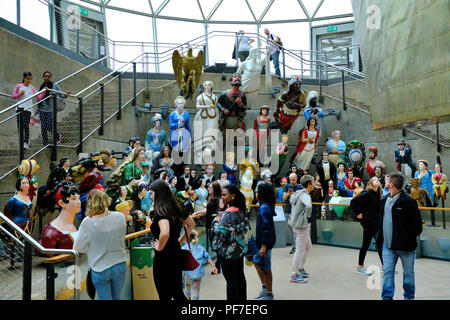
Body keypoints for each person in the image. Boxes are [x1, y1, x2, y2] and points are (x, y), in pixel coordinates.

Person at [73, 189, 129, 300]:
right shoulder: (120, 217)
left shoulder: (87, 222)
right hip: (120, 264)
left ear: (90, 203)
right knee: (116, 297)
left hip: (100, 268)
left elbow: (78, 248)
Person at [376, 173, 423, 300]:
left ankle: (408, 297)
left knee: (408, 275)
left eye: (387, 180)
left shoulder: (409, 202)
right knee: (387, 273)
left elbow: (417, 226)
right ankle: (386, 297)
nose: (384, 181)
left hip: (406, 248)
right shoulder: (384, 200)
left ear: (391, 184)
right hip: (387, 247)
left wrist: (406, 238)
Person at [149, 179, 195, 301]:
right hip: (176, 251)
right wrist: (179, 241)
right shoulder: (176, 208)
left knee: (164, 295)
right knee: (177, 292)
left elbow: (165, 233)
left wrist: (160, 247)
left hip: (164, 256)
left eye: (152, 193)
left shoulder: (161, 212)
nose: (150, 196)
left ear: (158, 194)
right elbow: (191, 225)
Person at [211, 185, 249, 301]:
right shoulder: (242, 210)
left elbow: (220, 231)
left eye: (224, 195)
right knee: (240, 277)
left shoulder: (227, 213)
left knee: (231, 280)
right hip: (239, 250)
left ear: (233, 195)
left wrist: (215, 221)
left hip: (227, 252)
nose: (222, 197)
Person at [350, 177, 384, 275]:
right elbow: (353, 202)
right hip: (368, 222)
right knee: (368, 244)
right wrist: (357, 214)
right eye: (374, 180)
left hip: (375, 223)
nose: (376, 180)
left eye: (378, 179)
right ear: (370, 183)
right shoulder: (367, 194)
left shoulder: (378, 195)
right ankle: (360, 267)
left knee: (379, 243)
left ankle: (384, 266)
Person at [39, 184, 80, 253]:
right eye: (73, 199)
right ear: (61, 203)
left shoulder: (71, 225)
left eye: (78, 198)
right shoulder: (51, 232)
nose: (79, 202)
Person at [289, 175, 315, 283]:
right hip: (301, 226)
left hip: (295, 224)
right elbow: (308, 206)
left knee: (308, 246)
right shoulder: (306, 196)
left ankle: (300, 267)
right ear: (309, 184)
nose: (314, 184)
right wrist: (307, 216)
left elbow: (291, 200)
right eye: (313, 182)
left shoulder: (298, 192)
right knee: (299, 250)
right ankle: (294, 274)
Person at [253, 183, 277, 300]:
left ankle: (269, 294)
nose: (255, 194)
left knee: (266, 267)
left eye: (257, 192)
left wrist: (264, 245)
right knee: (256, 261)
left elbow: (267, 229)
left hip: (265, 244)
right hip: (262, 242)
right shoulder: (264, 206)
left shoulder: (264, 208)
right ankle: (265, 288)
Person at [182, 230, 219, 300]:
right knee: (196, 291)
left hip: (188, 274)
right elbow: (208, 257)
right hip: (198, 274)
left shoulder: (184, 248)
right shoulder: (200, 248)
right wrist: (213, 267)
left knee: (187, 290)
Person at [36, 71, 71, 146]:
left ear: (51, 78)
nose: (47, 78)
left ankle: (57, 135)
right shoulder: (41, 87)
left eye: (48, 76)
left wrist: (66, 94)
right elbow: (39, 99)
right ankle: (45, 143)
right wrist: (37, 111)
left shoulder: (55, 86)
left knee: (49, 125)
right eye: (45, 76)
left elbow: (61, 95)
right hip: (42, 109)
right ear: (43, 77)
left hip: (51, 109)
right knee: (43, 127)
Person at [12, 71, 45, 149]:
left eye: (30, 79)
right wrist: (20, 94)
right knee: (20, 126)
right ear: (24, 78)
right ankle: (22, 142)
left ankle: (26, 142)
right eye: (27, 79)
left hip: (28, 109)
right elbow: (13, 96)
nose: (29, 81)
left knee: (26, 125)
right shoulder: (19, 86)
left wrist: (44, 91)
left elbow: (38, 97)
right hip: (19, 108)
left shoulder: (32, 87)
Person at [283, 173, 303, 254]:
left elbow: (302, 199)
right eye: (290, 180)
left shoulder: (300, 187)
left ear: (296, 179)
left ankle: (298, 247)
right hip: (288, 211)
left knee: (296, 230)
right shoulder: (287, 186)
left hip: (297, 211)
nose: (292, 181)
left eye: (293, 180)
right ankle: (294, 247)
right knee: (291, 231)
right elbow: (283, 199)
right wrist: (288, 193)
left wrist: (294, 194)